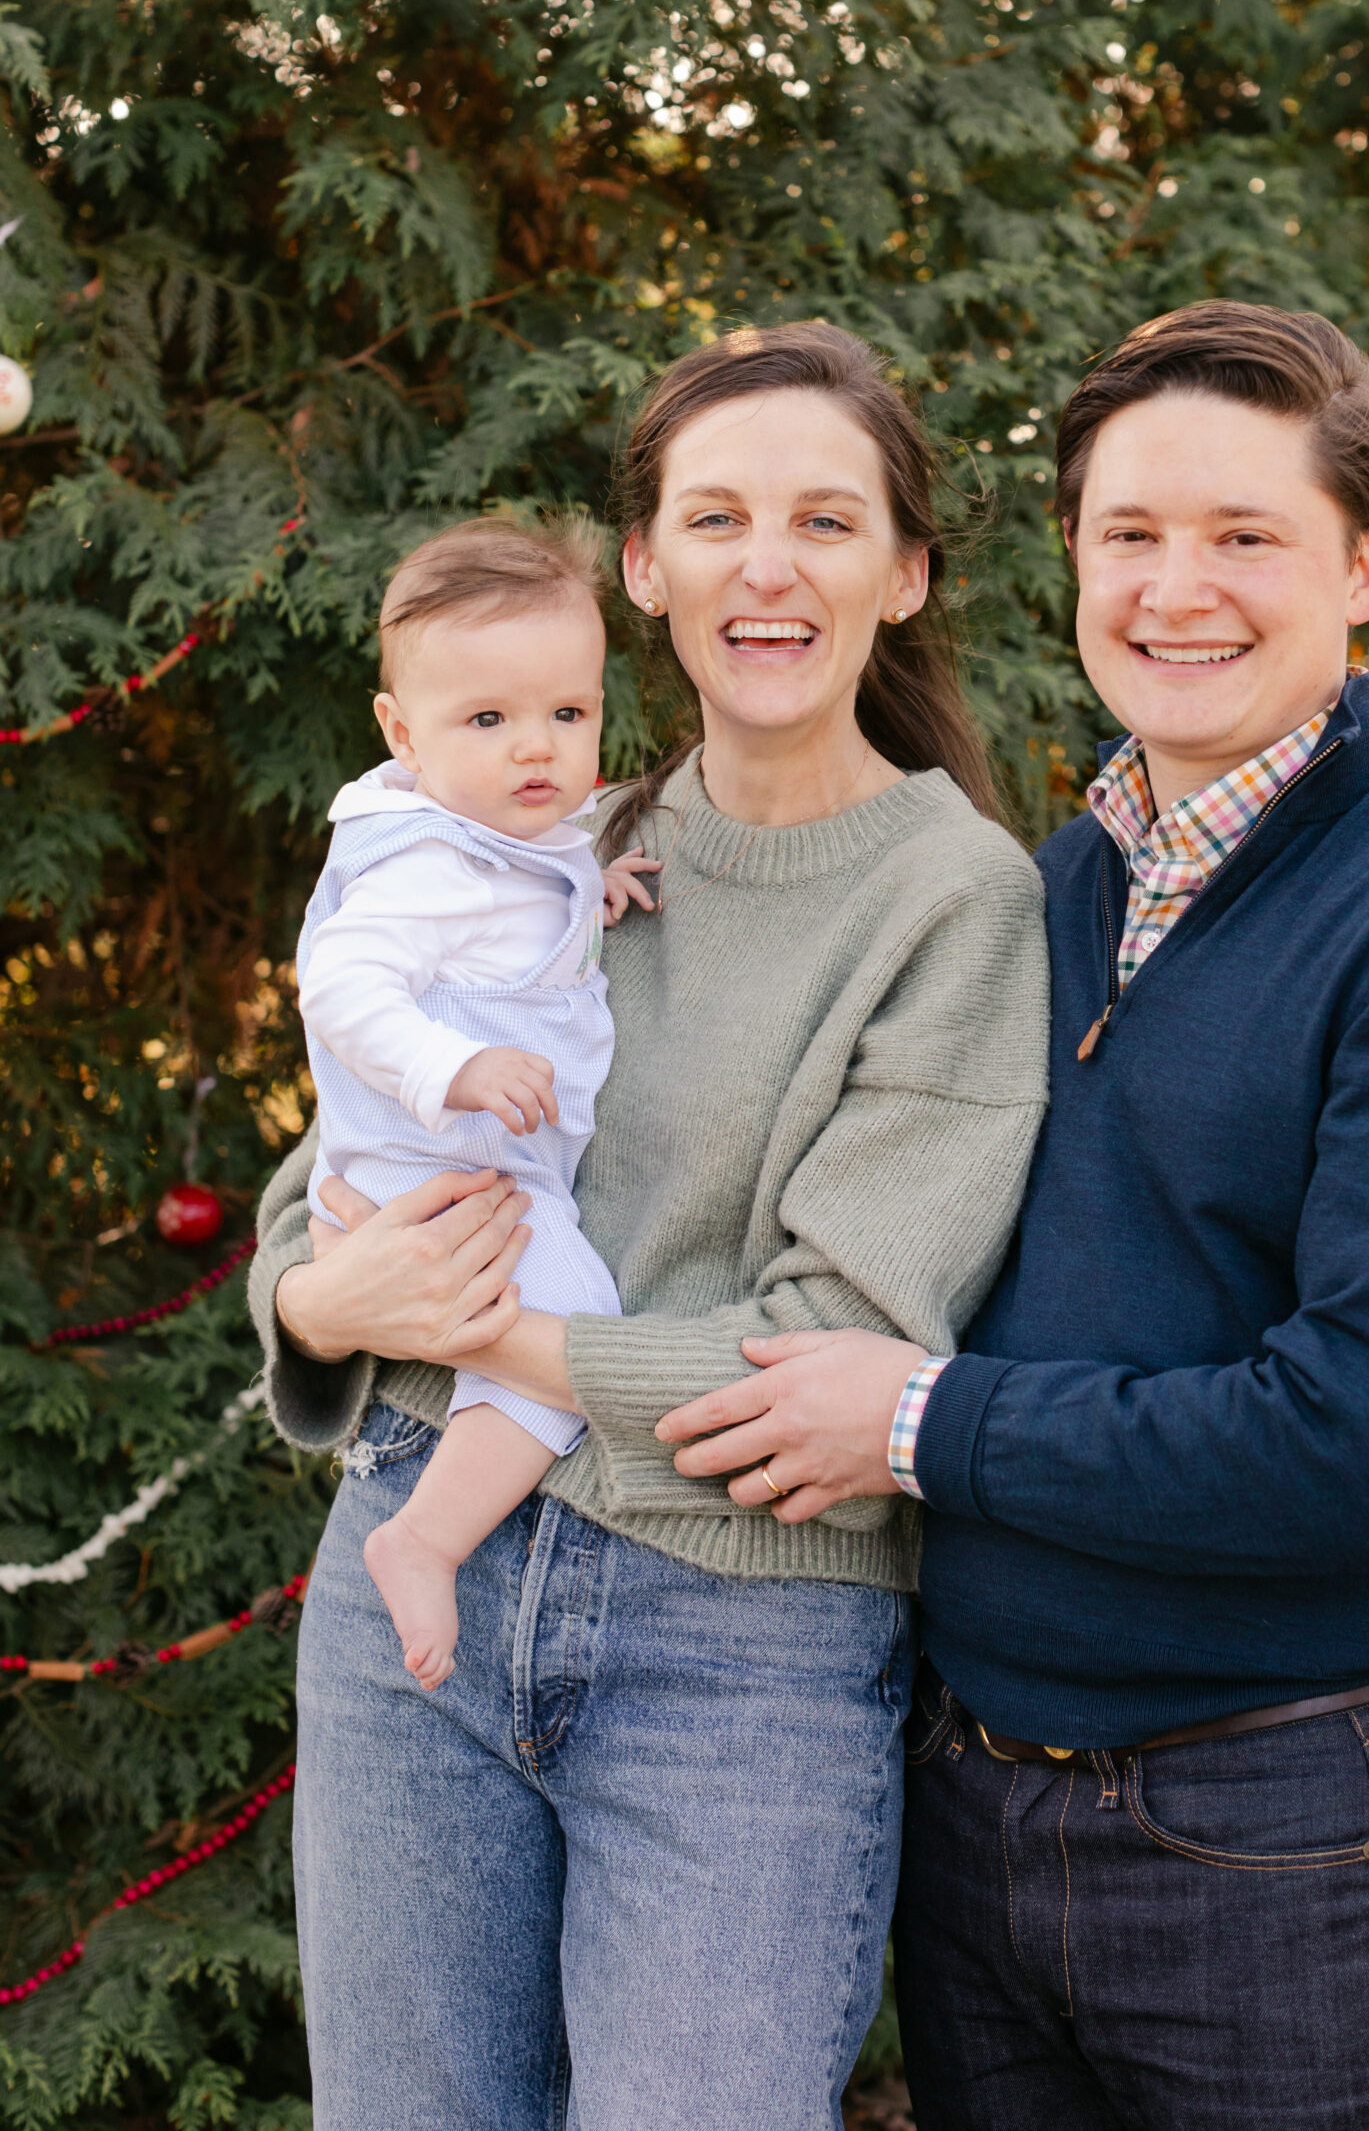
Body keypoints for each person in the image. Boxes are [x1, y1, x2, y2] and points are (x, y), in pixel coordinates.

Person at [658, 302, 1369, 2131]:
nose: (1178, 590)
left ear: (1364, 564)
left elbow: (1355, 1446)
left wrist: (920, 1424)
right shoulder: (1058, 883)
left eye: (1245, 538)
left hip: (1274, 1840)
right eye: (1130, 537)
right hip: (972, 1820)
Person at [246, 322, 1049, 2131]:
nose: (765, 567)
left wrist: (457, 1330)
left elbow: (822, 1364)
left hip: (735, 1652)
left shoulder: (956, 902)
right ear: (644, 568)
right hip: (413, 1581)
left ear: (903, 576)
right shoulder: (545, 825)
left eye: (826, 522)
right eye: (717, 518)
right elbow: (337, 1169)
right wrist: (317, 1297)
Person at [295, 514, 659, 1693]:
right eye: (488, 721)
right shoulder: (425, 865)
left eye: (568, 713)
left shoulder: (512, 840)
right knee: (569, 1309)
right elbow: (343, 983)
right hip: (435, 1167)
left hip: (474, 1168)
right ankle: (426, 1537)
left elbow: (519, 902)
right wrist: (451, 1069)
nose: (536, 750)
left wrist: (584, 886)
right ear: (403, 732)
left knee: (534, 1325)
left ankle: (437, 1518)